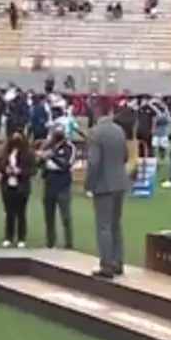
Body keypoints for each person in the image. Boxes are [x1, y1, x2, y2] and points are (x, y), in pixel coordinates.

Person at [84, 100, 131, 278]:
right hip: (120, 182)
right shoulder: (119, 130)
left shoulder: (96, 133)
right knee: (116, 225)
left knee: (103, 226)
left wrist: (89, 185)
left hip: (104, 185)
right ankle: (118, 261)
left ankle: (106, 265)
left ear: (97, 111)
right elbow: (125, 156)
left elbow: (94, 162)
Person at [39, 123, 76, 249]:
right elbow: (39, 162)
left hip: (62, 185)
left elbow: (66, 165)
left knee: (65, 217)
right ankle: (50, 242)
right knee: (48, 216)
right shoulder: (48, 146)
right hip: (49, 184)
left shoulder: (69, 147)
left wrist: (52, 156)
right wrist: (41, 157)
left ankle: (69, 243)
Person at [0, 132, 35, 248]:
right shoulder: (6, 153)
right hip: (8, 186)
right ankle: (9, 237)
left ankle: (21, 238)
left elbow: (33, 170)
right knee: (9, 213)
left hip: (22, 187)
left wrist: (20, 172)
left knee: (21, 213)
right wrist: (5, 169)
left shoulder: (28, 154)